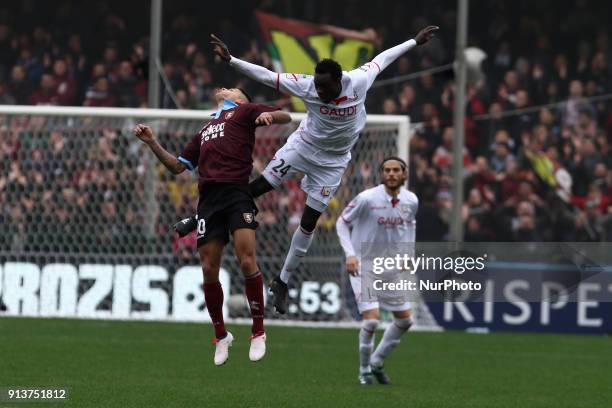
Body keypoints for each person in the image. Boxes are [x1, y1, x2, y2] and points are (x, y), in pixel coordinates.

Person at [174, 26, 438, 315]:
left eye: (325, 87)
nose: (319, 91)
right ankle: (200, 217)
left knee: (310, 222)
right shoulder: (306, 85)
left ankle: (282, 282)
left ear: (339, 80)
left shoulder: (360, 80)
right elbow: (266, 75)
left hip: (333, 162)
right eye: (318, 87)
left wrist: (414, 41)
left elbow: (385, 57)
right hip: (302, 147)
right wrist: (231, 60)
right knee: (257, 188)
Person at [134, 87, 291, 365]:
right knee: (208, 268)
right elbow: (177, 167)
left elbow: (286, 116)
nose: (224, 88)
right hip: (208, 201)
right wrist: (152, 142)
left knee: (246, 260)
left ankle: (258, 331)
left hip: (237, 194)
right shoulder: (204, 129)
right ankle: (221, 336)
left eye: (231, 88)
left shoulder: (244, 111)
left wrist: (270, 118)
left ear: (241, 99)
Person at [336, 157, 418, 385]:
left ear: (404, 174)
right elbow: (341, 222)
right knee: (372, 321)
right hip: (364, 266)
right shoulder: (367, 198)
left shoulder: (411, 200)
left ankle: (377, 361)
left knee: (405, 321)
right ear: (381, 175)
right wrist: (350, 254)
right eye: (387, 170)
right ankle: (364, 370)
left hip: (390, 267)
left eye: (396, 170)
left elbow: (410, 225)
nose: (391, 174)